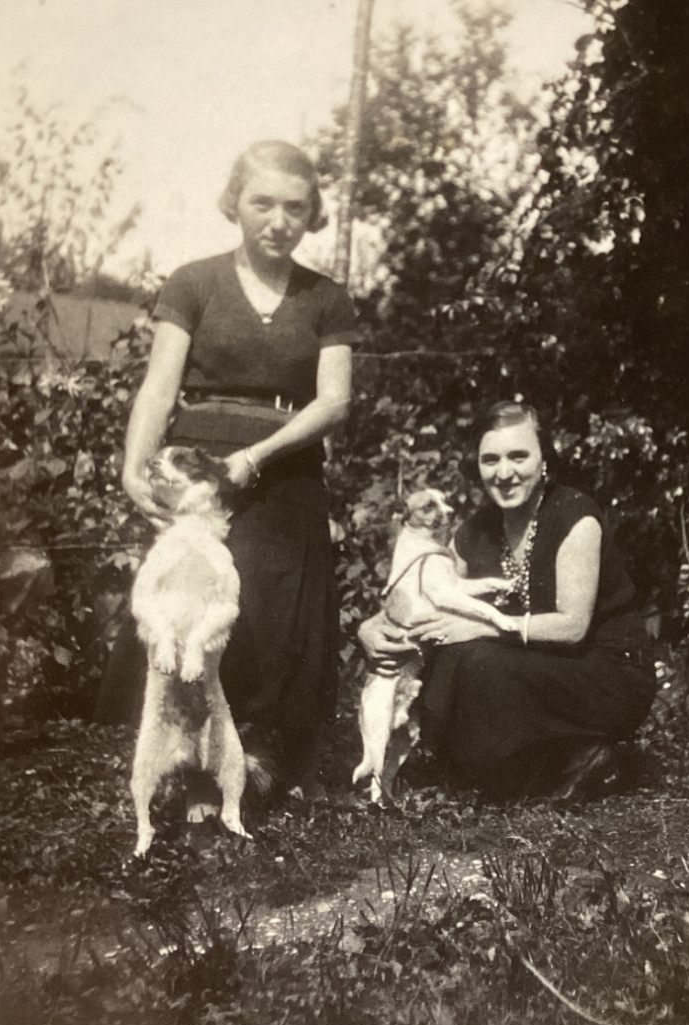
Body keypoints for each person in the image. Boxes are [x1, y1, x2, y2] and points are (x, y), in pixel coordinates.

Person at [97, 140, 359, 797]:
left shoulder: (327, 299)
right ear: (234, 204)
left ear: (312, 214)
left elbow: (334, 402)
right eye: (262, 202)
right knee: (189, 604)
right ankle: (174, 756)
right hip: (198, 470)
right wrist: (134, 467)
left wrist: (257, 457)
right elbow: (160, 385)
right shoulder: (194, 282)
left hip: (287, 469)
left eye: (295, 207)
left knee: (269, 612)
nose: (278, 220)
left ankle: (257, 763)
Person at [358, 401, 657, 801]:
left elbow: (572, 626)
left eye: (519, 456)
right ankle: (563, 761)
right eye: (490, 459)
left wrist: (487, 626)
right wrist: (371, 628)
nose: (504, 473)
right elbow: (422, 593)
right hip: (526, 670)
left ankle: (444, 762)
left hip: (605, 673)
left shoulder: (573, 516)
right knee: (457, 650)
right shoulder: (473, 532)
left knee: (473, 655)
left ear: (544, 460)